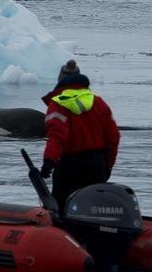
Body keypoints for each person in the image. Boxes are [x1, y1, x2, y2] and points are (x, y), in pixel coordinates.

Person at [40, 60, 120, 209]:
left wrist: (48, 162)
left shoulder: (58, 104)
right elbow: (114, 137)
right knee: (93, 208)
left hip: (69, 165)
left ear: (60, 81)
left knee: (61, 207)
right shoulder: (99, 103)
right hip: (96, 165)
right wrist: (107, 165)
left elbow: (57, 137)